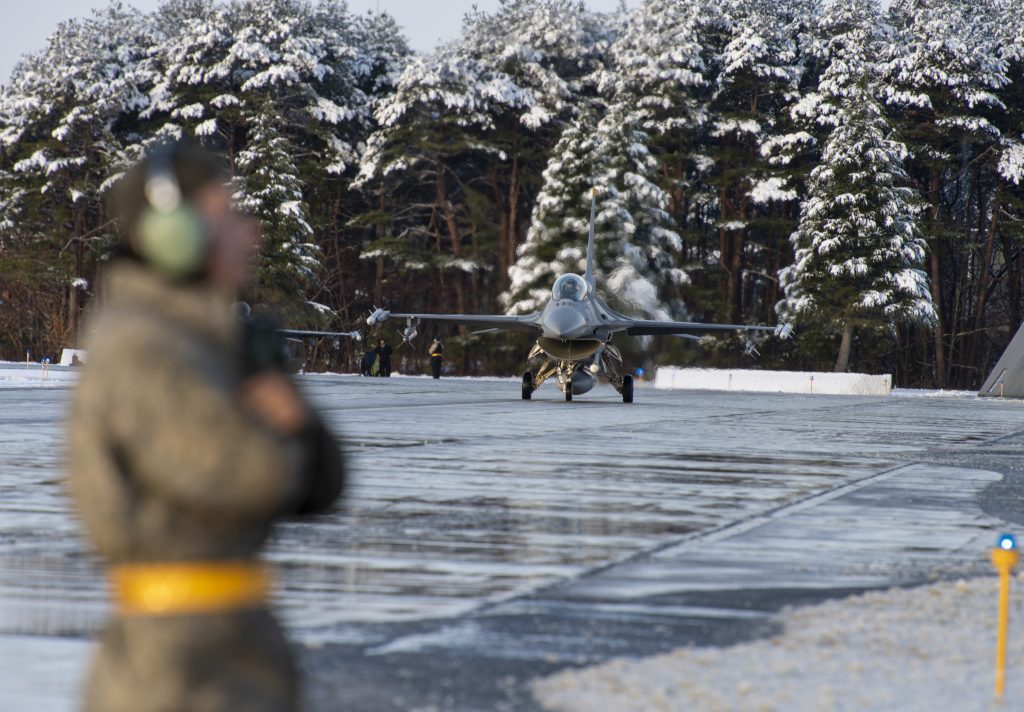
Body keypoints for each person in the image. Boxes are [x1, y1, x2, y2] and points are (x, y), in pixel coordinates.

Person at [67, 141, 345, 712]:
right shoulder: (144, 346)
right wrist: (287, 426)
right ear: (174, 233)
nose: (251, 233)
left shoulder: (201, 340)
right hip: (179, 672)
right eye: (229, 216)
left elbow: (325, 484)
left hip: (221, 647)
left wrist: (290, 419)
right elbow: (254, 473)